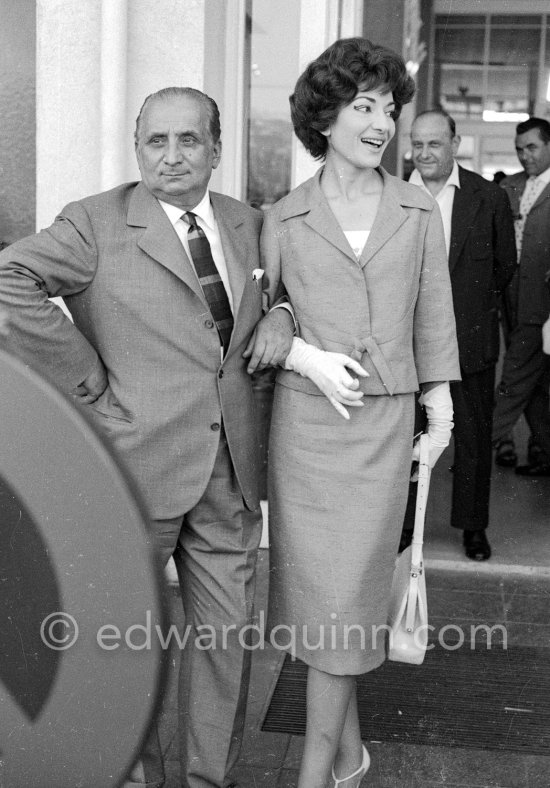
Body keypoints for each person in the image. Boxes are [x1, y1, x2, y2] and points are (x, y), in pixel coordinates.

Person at [0, 86, 294, 788]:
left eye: (188, 140)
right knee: (124, 647)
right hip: (134, 467)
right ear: (138, 150)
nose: (171, 155)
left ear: (216, 149)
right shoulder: (95, 223)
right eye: (155, 141)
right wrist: (90, 386)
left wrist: (281, 309)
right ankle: (137, 778)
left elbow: (283, 289)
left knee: (227, 646)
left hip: (231, 474)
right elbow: (10, 278)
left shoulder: (251, 223)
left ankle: (207, 781)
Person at [261, 38, 460, 788]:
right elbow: (264, 317)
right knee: (322, 603)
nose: (381, 125)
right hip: (306, 430)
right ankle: (348, 755)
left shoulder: (416, 209)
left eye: (390, 109)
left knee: (346, 601)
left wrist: (438, 406)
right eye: (364, 106)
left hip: (381, 430)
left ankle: (316, 772)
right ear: (326, 115)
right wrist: (296, 346)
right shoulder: (281, 217)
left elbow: (433, 312)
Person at [401, 109, 517, 561]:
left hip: (469, 337)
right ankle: (405, 527)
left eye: (435, 143)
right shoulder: (391, 194)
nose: (425, 153)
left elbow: (505, 266)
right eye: (418, 144)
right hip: (405, 340)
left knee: (472, 437)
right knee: (405, 439)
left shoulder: (487, 197)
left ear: (455, 143)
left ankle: (472, 528)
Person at [493, 117, 550, 476]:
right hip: (508, 299)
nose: (524, 155)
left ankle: (480, 445)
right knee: (539, 385)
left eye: (532, 147)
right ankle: (544, 455)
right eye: (519, 149)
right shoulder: (508, 186)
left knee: (514, 378)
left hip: (541, 302)